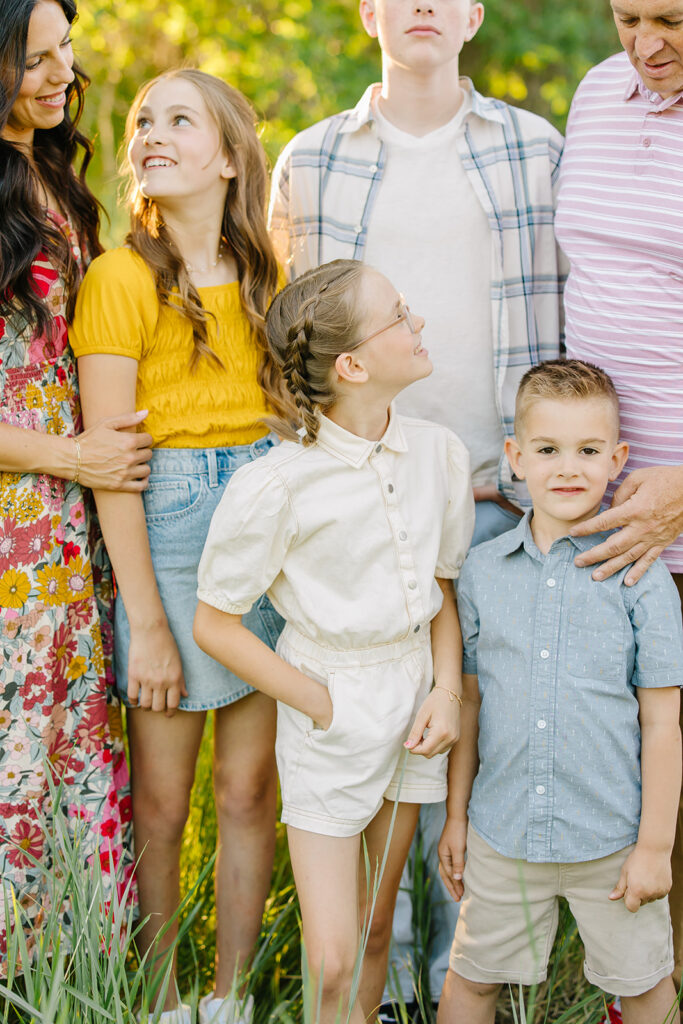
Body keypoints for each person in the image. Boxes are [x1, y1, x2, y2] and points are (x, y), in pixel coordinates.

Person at [268, 0, 566, 1002]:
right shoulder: (311, 159)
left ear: (474, 13)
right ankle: (376, 986)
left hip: (501, 496)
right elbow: (290, 331)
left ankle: (463, 983)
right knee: (374, 738)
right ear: (369, 15)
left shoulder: (534, 148)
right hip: (360, 498)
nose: (424, 6)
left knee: (474, 743)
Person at [193, 258, 475, 1024]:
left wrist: (446, 691)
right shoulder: (278, 484)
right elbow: (214, 621)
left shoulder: (437, 455)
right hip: (330, 710)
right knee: (333, 956)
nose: (416, 323)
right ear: (351, 365)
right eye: (398, 315)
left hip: (414, 701)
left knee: (379, 927)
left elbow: (440, 588)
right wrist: (317, 700)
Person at [70, 69, 289, 1024]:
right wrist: (147, 623)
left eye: (179, 120)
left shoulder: (268, 275)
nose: (152, 134)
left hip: (265, 524)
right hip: (165, 529)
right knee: (161, 803)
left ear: (232, 157)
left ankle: (230, 999)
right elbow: (115, 465)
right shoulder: (119, 278)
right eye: (145, 122)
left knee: (247, 790)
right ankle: (158, 1001)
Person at [437, 359, 682, 1024]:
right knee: (470, 979)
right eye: (546, 450)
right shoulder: (483, 573)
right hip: (501, 831)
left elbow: (662, 724)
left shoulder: (642, 579)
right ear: (514, 457)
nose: (567, 468)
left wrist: (653, 848)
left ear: (617, 459)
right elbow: (470, 699)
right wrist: (457, 815)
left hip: (608, 838)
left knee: (644, 986)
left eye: (587, 451)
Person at [0, 0, 152, 968]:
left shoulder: (48, 178)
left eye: (66, 52)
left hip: (69, 531)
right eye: (35, 57)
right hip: (19, 522)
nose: (62, 73)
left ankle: (80, 976)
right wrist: (72, 458)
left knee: (75, 744)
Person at [554, 1, 683, 988]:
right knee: (636, 790)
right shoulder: (597, 93)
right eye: (627, 16)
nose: (646, 45)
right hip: (599, 520)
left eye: (671, 19)